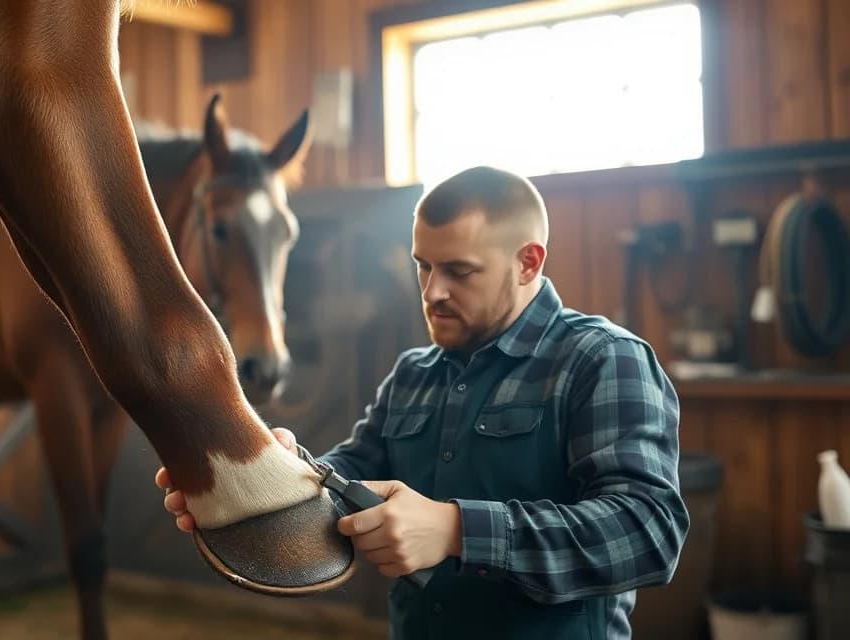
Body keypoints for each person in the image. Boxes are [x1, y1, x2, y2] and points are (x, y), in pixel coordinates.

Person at [157, 165, 690, 639]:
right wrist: (260, 480)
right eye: (422, 266)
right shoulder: (413, 374)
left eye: (459, 271)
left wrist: (457, 530)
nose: (432, 291)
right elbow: (344, 482)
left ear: (528, 262)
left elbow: (648, 531)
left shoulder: (602, 360)